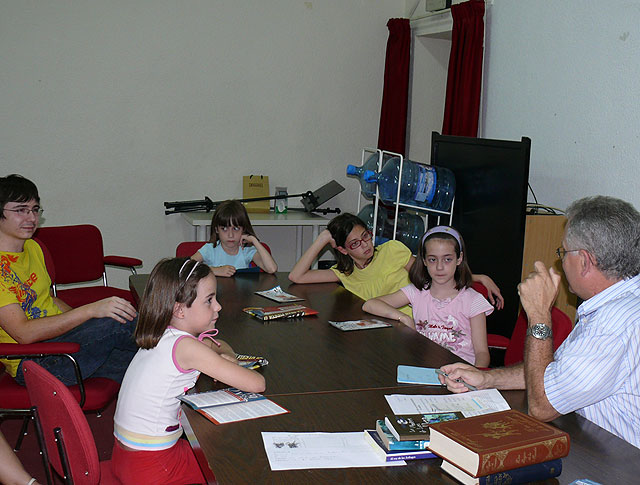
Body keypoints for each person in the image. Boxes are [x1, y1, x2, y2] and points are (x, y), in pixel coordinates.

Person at [440, 196, 640, 449]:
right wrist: (487, 379)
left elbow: (542, 406)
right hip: (596, 446)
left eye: (563, 252)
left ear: (585, 261)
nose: (561, 261)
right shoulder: (621, 301)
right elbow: (555, 374)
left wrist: (538, 316)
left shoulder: (613, 322)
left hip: (618, 464)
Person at [112, 258, 266, 484]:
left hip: (126, 456)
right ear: (180, 309)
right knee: (232, 463)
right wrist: (227, 362)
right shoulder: (187, 347)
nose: (218, 307)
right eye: (209, 300)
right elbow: (257, 384)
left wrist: (229, 357)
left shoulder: (166, 334)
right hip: (153, 467)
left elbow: (217, 343)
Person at [0, 174, 137, 385]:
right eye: (20, 210)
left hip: (62, 347)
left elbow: (49, 300)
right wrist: (91, 311)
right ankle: (188, 344)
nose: (31, 218)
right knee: (117, 322)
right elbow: (23, 334)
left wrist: (88, 326)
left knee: (147, 362)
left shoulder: (33, 247)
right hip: (34, 362)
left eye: (35, 209)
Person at [288, 213, 503, 316]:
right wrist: (322, 238)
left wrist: (477, 277)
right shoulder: (344, 273)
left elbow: (432, 273)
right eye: (355, 243)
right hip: (380, 325)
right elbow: (296, 277)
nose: (365, 245)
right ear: (343, 250)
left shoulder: (391, 250)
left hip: (415, 323)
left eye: (366, 236)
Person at [363, 226, 493, 367]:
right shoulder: (417, 292)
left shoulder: (473, 300)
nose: (439, 267)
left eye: (447, 259)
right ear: (424, 260)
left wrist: (476, 376)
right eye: (432, 260)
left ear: (459, 258)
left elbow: (482, 353)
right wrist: (404, 317)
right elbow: (370, 304)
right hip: (424, 368)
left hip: (461, 372)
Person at [191, 199, 277, 277]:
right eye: (224, 229)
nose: (231, 235)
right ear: (216, 229)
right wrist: (214, 270)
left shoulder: (246, 251)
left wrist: (254, 241)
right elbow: (185, 267)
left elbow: (272, 269)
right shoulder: (210, 250)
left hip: (240, 293)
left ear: (243, 229)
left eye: (236, 229)